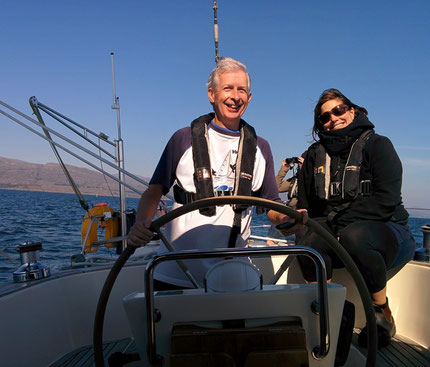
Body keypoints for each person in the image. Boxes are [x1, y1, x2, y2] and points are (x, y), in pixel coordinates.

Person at [128, 57, 307, 290]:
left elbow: (271, 203)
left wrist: (287, 218)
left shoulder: (261, 148)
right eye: (228, 88)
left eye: (242, 90)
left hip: (234, 275)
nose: (235, 96)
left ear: (249, 98)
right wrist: (142, 223)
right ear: (211, 94)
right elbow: (154, 190)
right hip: (176, 271)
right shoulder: (182, 139)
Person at [296, 88, 416, 348]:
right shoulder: (314, 156)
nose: (333, 119)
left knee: (355, 235)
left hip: (389, 233)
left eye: (338, 110)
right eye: (324, 117)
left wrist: (341, 224)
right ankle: (330, 313)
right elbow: (309, 209)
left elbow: (387, 199)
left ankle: (381, 312)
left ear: (352, 111)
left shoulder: (378, 145)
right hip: (339, 233)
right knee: (308, 244)